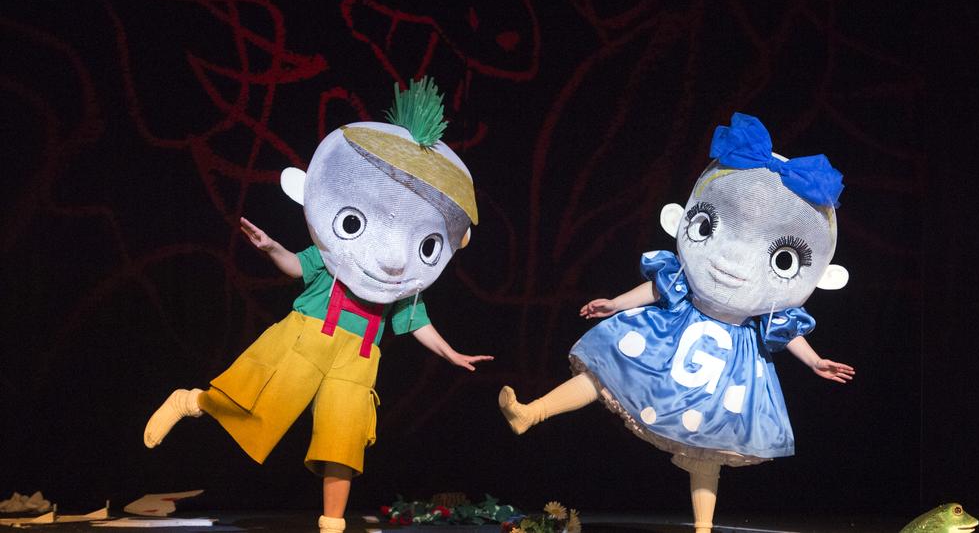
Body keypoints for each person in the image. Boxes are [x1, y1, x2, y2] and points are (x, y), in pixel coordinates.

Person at [144, 79, 490, 533]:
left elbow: (416, 322)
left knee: (342, 442)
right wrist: (272, 248)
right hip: (305, 339)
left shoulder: (398, 282)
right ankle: (190, 402)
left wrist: (452, 353)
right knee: (254, 402)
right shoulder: (337, 255)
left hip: (357, 361)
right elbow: (295, 266)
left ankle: (332, 525)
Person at [499, 112, 853, 533]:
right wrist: (615, 304)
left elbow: (782, 328)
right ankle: (531, 413)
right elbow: (657, 288)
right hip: (673, 333)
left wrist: (814, 361)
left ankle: (703, 527)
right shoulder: (688, 275)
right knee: (605, 371)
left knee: (709, 450)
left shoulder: (765, 302)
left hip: (729, 367)